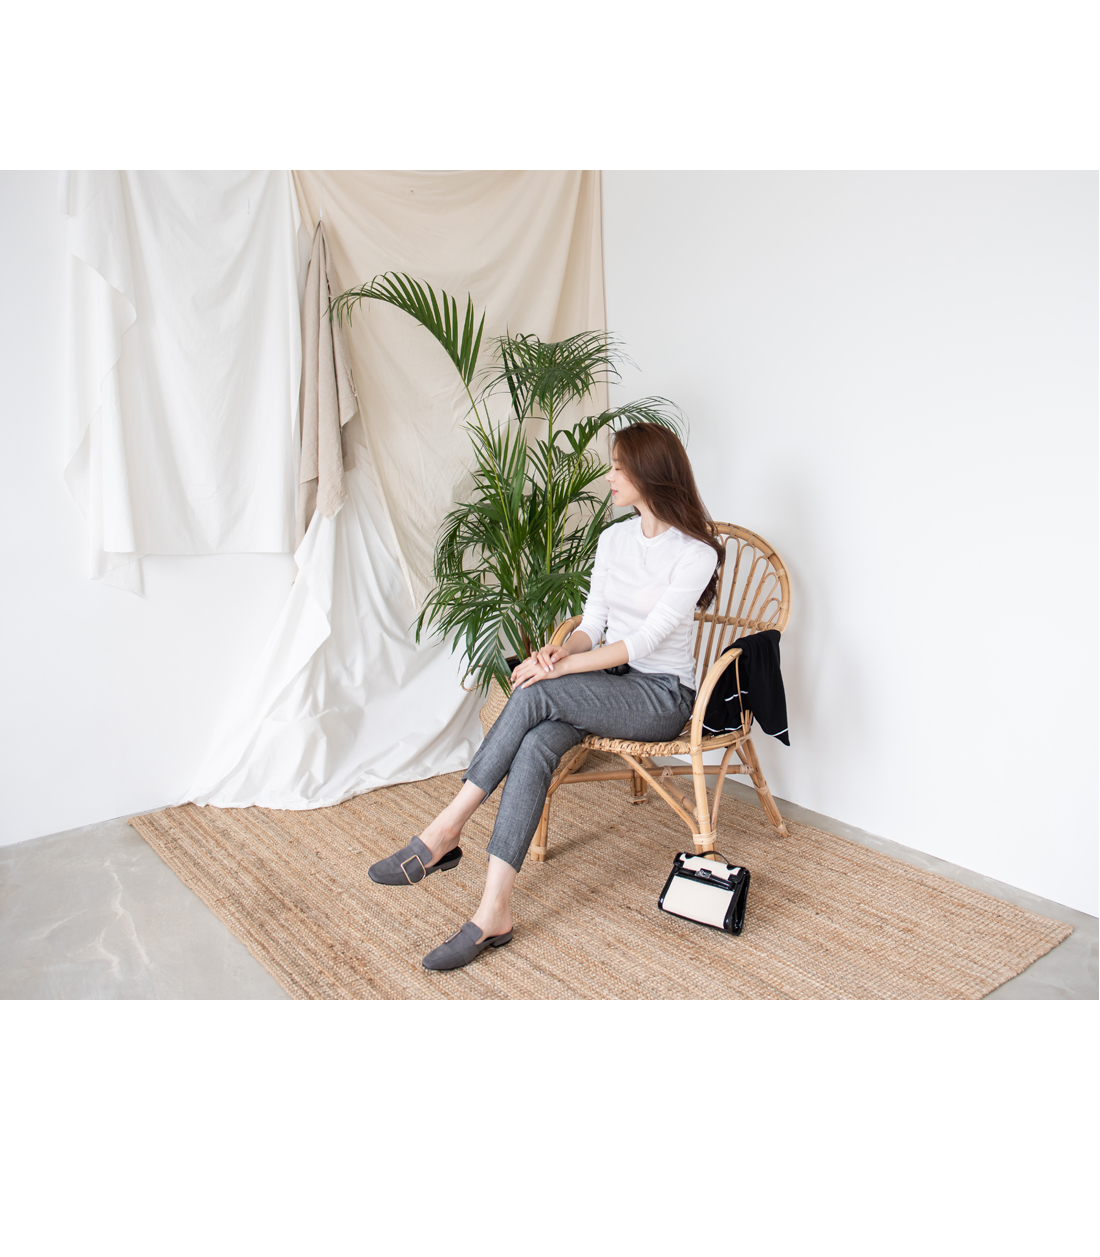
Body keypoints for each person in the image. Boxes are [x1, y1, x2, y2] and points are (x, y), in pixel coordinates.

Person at [368, 422, 724, 970]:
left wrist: (562, 670)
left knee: (537, 695)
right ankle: (494, 912)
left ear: (649, 472)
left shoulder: (695, 552)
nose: (609, 477)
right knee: (536, 743)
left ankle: (444, 831)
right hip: (608, 684)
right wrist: (560, 653)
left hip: (661, 696)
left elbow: (646, 641)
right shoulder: (614, 540)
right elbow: (595, 623)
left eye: (618, 467)